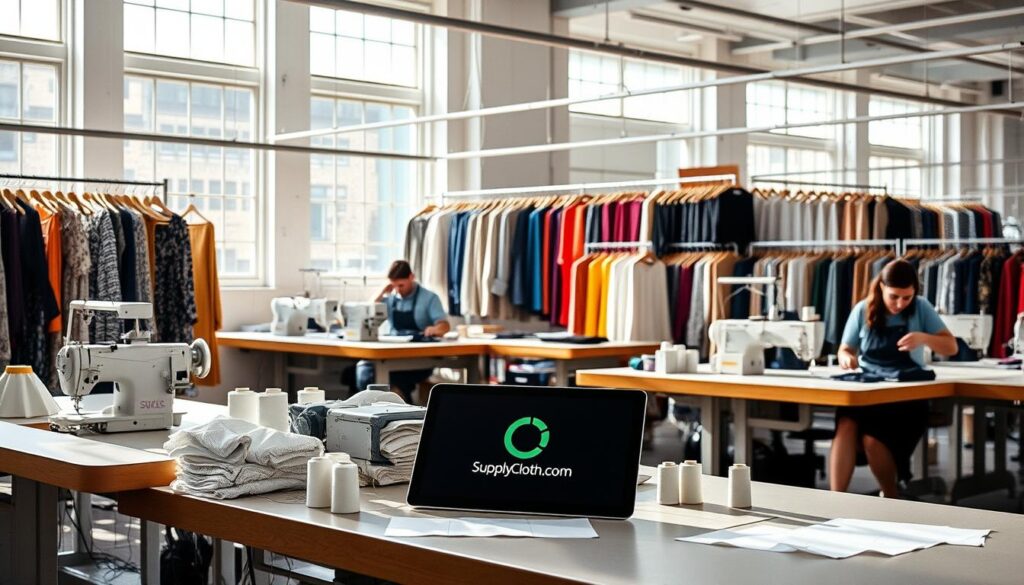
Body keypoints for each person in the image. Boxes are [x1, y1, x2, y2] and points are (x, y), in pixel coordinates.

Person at [830, 259, 957, 498]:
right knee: (846, 424)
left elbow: (951, 347)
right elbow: (845, 349)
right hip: (869, 392)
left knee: (872, 440)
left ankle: (890, 497)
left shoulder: (921, 308)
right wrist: (847, 358)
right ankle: (836, 500)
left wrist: (923, 337)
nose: (900, 303)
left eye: (906, 297)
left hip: (906, 396)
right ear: (881, 288)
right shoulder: (863, 309)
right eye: (894, 297)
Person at [354, 260, 450, 402]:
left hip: (418, 359)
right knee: (363, 369)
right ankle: (396, 406)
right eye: (394, 286)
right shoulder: (391, 297)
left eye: (401, 285)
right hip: (392, 355)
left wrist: (434, 329)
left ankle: (396, 407)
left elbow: (445, 326)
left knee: (377, 377)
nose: (398, 289)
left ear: (411, 277)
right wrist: (382, 292)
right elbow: (367, 313)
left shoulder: (429, 298)